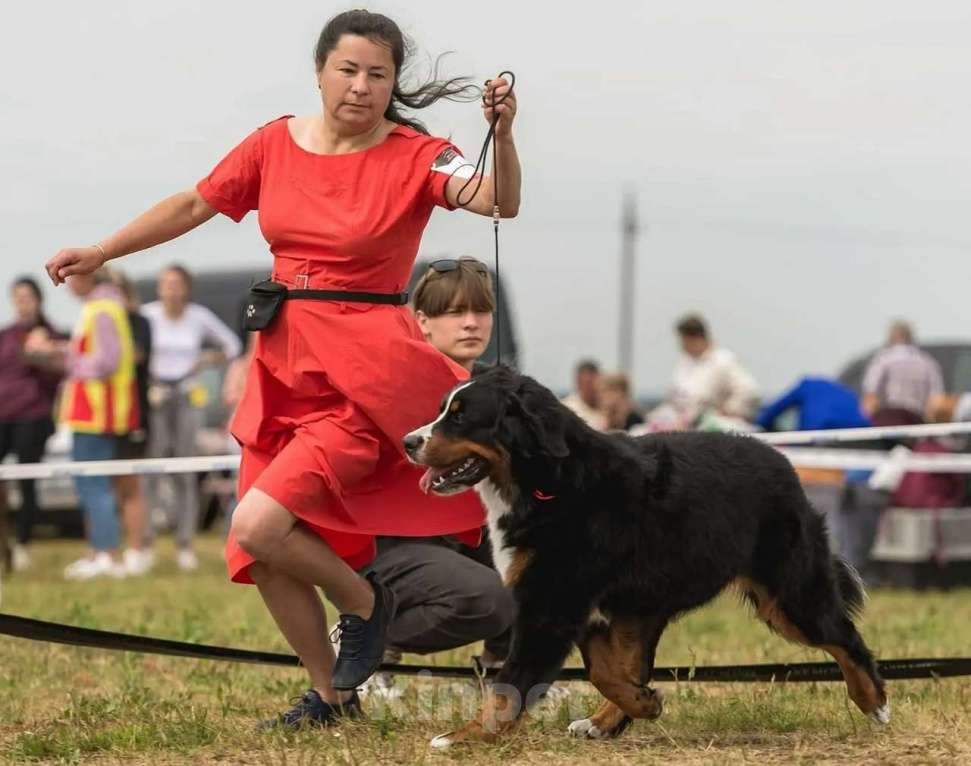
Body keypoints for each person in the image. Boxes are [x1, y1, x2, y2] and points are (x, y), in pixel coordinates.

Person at [45, 9, 520, 729]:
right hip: (280, 368)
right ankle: (332, 699)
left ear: (393, 82)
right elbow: (193, 203)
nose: (361, 87)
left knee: (260, 522)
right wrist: (104, 252)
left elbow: (497, 200)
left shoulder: (420, 154)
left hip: (362, 378)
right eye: (348, 70)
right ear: (321, 71)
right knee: (261, 553)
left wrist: (504, 136)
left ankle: (366, 604)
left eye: (378, 74)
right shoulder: (273, 143)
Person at [362, 257, 515, 697]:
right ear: (422, 322)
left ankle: (500, 669)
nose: (471, 323)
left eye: (481, 310)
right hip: (392, 545)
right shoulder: (392, 380)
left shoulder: (500, 389)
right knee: (491, 598)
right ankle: (367, 639)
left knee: (548, 567)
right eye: (454, 312)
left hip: (465, 536)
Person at [26, 270, 139, 579]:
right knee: (92, 484)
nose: (67, 285)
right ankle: (99, 551)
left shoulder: (101, 310)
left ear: (88, 278)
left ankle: (106, 553)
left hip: (96, 411)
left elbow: (105, 362)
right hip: (95, 411)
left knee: (93, 485)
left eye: (71, 277)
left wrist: (65, 359)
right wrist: (65, 352)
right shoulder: (104, 307)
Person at [141, 264, 242, 571]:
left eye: (176, 284)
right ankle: (145, 543)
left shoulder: (198, 317)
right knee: (151, 469)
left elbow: (232, 345)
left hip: (186, 394)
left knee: (186, 470)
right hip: (155, 395)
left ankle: (185, 543)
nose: (171, 290)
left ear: (186, 288)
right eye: (166, 284)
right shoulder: (148, 315)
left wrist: (207, 360)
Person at [756, 375, 872, 556]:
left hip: (819, 450)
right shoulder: (848, 393)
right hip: (859, 452)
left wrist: (766, 427)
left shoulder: (806, 385)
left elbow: (770, 413)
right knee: (844, 517)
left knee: (819, 513)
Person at [0, 277, 66, 571]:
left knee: (28, 480)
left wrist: (43, 356)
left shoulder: (52, 335)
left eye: (27, 297)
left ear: (38, 300)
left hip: (34, 415)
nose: (22, 302)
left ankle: (24, 542)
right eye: (17, 297)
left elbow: (61, 375)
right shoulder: (6, 335)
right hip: (3, 413)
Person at [106, 269, 155, 576]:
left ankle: (137, 549)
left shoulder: (139, 323)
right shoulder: (99, 322)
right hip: (104, 415)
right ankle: (109, 550)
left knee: (130, 485)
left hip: (133, 413)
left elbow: (137, 356)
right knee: (106, 487)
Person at [656, 313, 759, 428]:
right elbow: (673, 396)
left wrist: (729, 409)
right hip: (683, 422)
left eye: (684, 341)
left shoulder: (723, 360)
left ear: (697, 338)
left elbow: (749, 391)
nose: (682, 346)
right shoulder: (684, 363)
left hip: (713, 423)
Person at [862, 320, 945, 424]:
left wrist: (865, 425)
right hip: (916, 421)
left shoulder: (882, 360)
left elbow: (871, 397)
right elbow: (936, 401)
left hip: (887, 420)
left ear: (890, 337)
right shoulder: (927, 362)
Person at [561, 359, 607, 430]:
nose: (592, 388)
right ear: (578, 382)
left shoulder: (608, 409)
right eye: (587, 383)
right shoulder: (567, 409)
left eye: (594, 383)